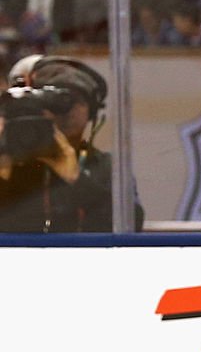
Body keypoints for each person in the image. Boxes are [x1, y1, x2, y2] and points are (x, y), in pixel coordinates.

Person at [0, 55, 145, 232]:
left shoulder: (108, 169)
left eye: (79, 101)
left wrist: (77, 179)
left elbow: (132, 225)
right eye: (56, 102)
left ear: (92, 113)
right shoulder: (10, 158)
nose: (68, 111)